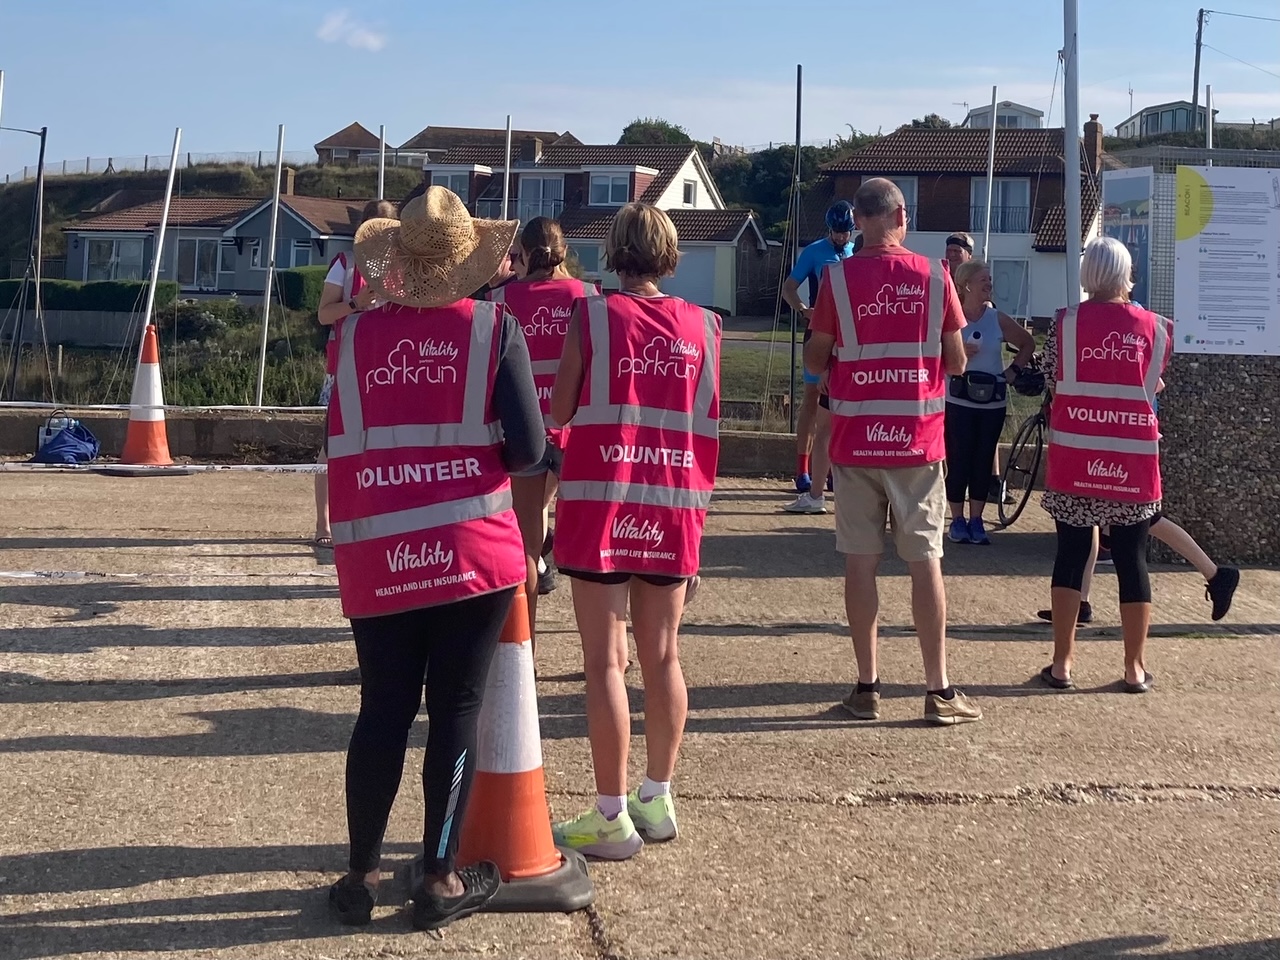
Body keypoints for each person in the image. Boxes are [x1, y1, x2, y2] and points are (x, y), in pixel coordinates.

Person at [324, 187, 544, 930]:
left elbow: (342, 436)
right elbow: (529, 450)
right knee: (455, 710)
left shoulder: (350, 338)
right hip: (469, 555)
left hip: (377, 553)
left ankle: (359, 873)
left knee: (382, 708)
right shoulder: (494, 329)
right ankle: (440, 879)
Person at [549, 203, 720, 859]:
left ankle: (610, 814)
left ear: (615, 251)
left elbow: (562, 407)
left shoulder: (592, 315)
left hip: (603, 504)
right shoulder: (705, 326)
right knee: (664, 657)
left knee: (604, 663)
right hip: (675, 505)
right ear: (670, 252)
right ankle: (658, 796)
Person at [804, 178, 982, 726]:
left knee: (860, 563)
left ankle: (866, 688)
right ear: (901, 215)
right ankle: (938, 690)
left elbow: (816, 356)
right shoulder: (935, 275)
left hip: (856, 440)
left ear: (857, 218)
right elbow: (956, 363)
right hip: (918, 441)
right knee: (925, 560)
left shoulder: (836, 278)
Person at [1038, 236, 1172, 693]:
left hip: (1076, 458)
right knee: (1133, 559)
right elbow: (1154, 389)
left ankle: (1062, 664)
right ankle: (1135, 669)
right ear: (1126, 272)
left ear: (1087, 274)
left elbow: (1053, 381)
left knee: (1072, 556)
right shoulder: (1155, 328)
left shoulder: (1065, 325)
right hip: (1132, 462)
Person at [486, 217, 599, 644]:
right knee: (595, 548)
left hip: (523, 432)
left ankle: (524, 647)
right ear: (564, 253)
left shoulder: (499, 299)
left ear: (525, 254)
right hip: (576, 433)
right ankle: (610, 647)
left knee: (527, 548)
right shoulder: (588, 297)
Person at [314, 199, 398, 547]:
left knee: (385, 447)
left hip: (390, 369)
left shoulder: (402, 267)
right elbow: (323, 314)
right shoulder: (346, 265)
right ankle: (323, 524)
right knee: (330, 449)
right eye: (372, 230)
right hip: (344, 368)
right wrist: (355, 304)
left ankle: (376, 518)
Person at [944, 260, 1034, 544]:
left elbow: (1028, 343)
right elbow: (931, 352)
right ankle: (956, 520)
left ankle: (976, 520)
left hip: (991, 403)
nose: (989, 284)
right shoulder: (950, 315)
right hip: (958, 400)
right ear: (967, 284)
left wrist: (1012, 372)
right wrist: (959, 354)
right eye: (984, 279)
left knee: (983, 462)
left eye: (990, 279)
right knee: (959, 461)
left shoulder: (997, 318)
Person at [782, 201, 856, 506]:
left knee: (842, 401)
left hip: (849, 334)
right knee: (812, 399)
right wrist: (802, 309)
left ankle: (831, 469)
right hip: (819, 332)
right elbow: (789, 287)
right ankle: (803, 470)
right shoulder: (813, 252)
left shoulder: (857, 252)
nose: (840, 237)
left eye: (845, 232)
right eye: (836, 232)